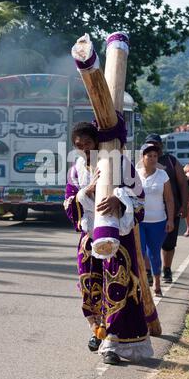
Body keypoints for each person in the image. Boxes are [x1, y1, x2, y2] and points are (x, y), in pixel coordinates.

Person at [64, 121, 153, 365]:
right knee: (89, 285)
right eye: (78, 145)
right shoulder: (76, 170)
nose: (83, 149)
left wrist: (119, 201)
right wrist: (86, 193)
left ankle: (112, 342)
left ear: (98, 142)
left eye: (88, 144)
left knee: (118, 286)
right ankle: (97, 329)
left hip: (118, 239)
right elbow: (69, 203)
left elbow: (141, 201)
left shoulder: (122, 165)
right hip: (89, 239)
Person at [143, 133, 189, 283]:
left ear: (161, 146)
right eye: (149, 144)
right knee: (149, 245)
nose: (153, 146)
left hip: (171, 210)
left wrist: (184, 204)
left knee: (168, 244)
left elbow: (183, 183)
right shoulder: (140, 163)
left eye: (156, 144)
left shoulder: (171, 161)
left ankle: (167, 269)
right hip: (148, 212)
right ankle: (149, 271)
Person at [136, 143, 174, 296]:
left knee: (154, 253)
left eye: (155, 156)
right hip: (139, 221)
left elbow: (169, 199)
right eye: (149, 156)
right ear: (142, 157)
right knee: (140, 252)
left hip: (158, 221)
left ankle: (157, 282)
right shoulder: (135, 174)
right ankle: (143, 282)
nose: (152, 159)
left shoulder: (162, 175)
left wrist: (170, 220)